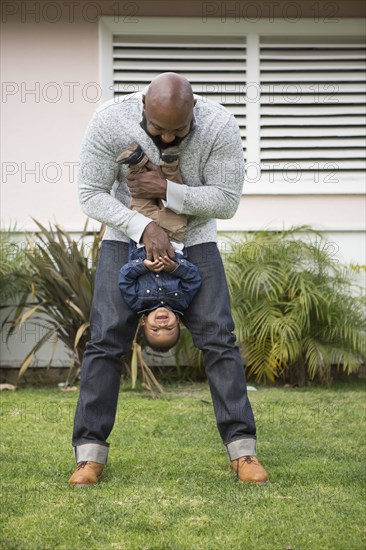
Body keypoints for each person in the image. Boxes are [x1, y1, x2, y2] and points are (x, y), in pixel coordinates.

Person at [69, 72, 269, 487]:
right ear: (143, 107)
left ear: (194, 110)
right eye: (158, 130)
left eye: (178, 131)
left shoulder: (219, 125)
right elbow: (90, 193)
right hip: (125, 238)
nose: (167, 139)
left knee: (218, 338)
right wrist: (142, 226)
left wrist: (167, 189)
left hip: (195, 241)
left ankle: (242, 451)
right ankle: (89, 457)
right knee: (106, 341)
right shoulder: (110, 120)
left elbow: (227, 201)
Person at [118, 242, 201, 351]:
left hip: (143, 246)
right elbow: (193, 278)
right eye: (169, 328)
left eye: (155, 330)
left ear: (143, 321)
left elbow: (125, 278)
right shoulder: (183, 301)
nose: (162, 325)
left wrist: (143, 265)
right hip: (173, 245)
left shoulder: (136, 302)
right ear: (177, 320)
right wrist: (175, 268)